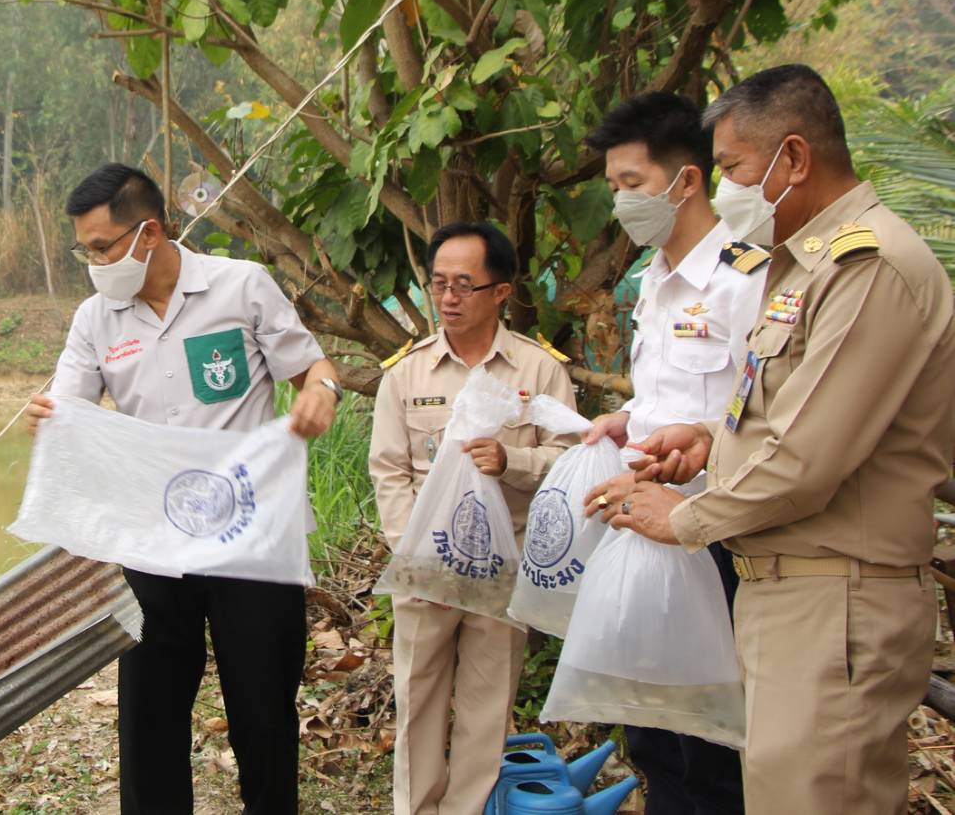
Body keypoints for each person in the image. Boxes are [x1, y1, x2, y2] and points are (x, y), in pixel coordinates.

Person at [585, 65, 955, 815]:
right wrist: (706, 441)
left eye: (730, 169)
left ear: (792, 158)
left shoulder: (866, 266)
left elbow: (806, 459)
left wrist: (682, 517)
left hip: (836, 593)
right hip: (789, 591)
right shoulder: (803, 268)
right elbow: (776, 419)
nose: (725, 192)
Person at [24, 163, 342, 815]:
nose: (95, 261)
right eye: (85, 249)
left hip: (250, 537)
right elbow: (68, 405)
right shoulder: (96, 319)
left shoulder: (240, 286)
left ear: (150, 232)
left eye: (102, 246)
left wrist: (320, 391)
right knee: (149, 716)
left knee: (261, 710)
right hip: (154, 540)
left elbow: (311, 364)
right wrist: (46, 416)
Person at [581, 92, 765, 815]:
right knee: (651, 731)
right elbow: (670, 397)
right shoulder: (652, 281)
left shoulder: (743, 280)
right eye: (613, 188)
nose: (621, 201)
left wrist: (698, 458)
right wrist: (625, 421)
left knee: (710, 744)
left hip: (713, 539)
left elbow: (768, 414)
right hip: (642, 530)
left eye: (631, 184)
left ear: (684, 181)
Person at [369, 221, 576, 815]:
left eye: (465, 284)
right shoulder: (406, 372)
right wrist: (420, 562)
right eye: (439, 284)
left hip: (506, 566)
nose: (450, 297)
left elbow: (568, 462)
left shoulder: (538, 372)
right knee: (418, 696)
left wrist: (514, 459)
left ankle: (469, 808)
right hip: (423, 568)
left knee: (488, 703)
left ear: (501, 292)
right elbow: (388, 471)